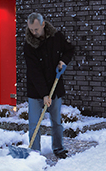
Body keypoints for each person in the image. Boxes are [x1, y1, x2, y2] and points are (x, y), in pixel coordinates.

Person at [24, 12, 75, 159]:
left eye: (36, 29)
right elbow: (34, 72)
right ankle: (34, 153)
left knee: (56, 122)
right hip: (36, 90)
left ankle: (59, 148)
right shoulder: (29, 45)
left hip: (55, 86)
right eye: (31, 29)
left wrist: (64, 60)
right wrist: (44, 94)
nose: (33, 33)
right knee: (34, 124)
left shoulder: (56, 37)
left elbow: (69, 49)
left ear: (43, 24)